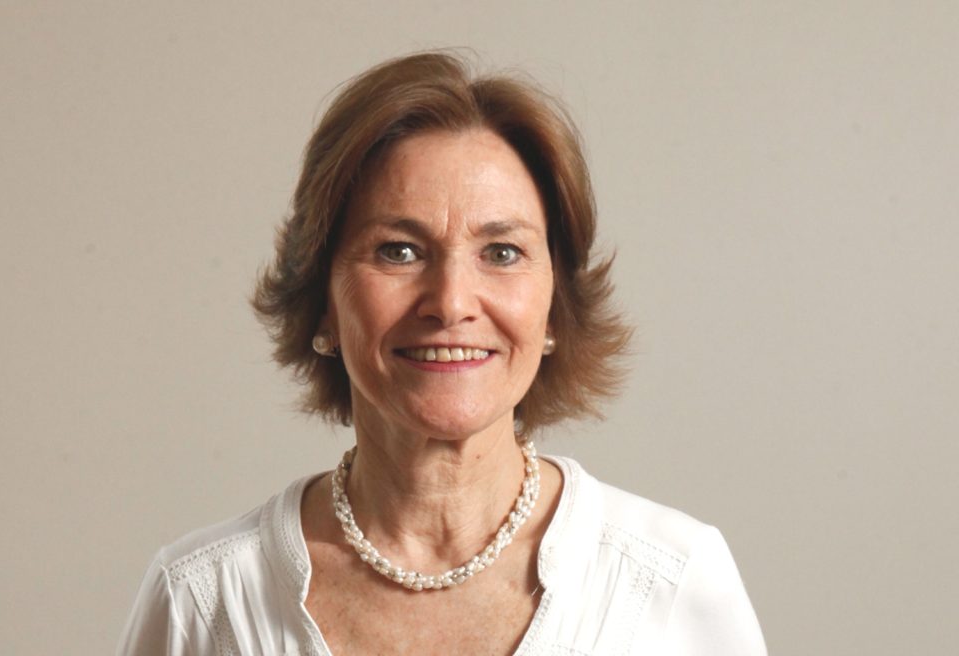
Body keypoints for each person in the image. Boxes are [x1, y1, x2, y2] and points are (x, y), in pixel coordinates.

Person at [118, 52, 767, 655]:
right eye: (399, 251)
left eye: (502, 253)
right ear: (322, 301)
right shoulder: (200, 600)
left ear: (554, 309)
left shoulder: (669, 583)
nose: (451, 302)